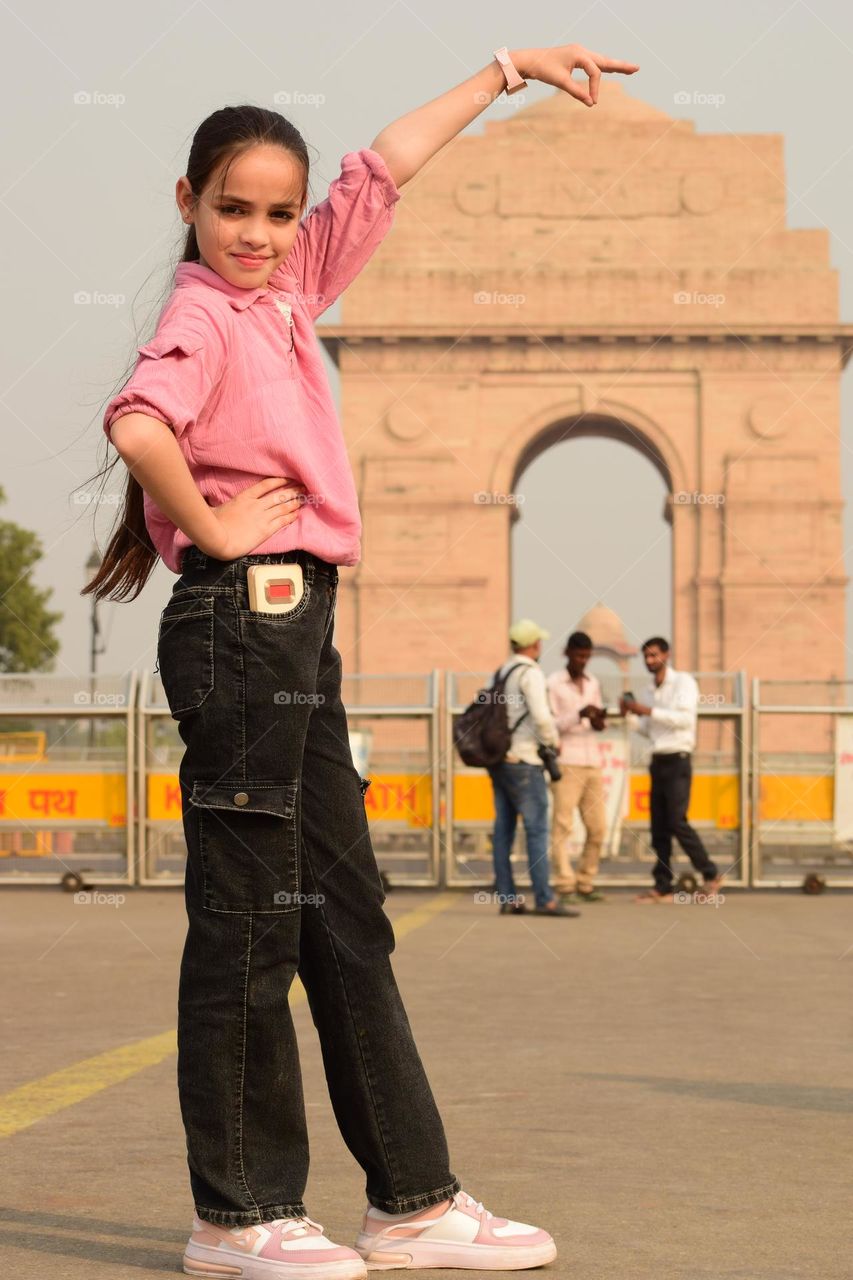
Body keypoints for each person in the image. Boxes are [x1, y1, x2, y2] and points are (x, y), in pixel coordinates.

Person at [84, 38, 638, 1278]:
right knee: (248, 921)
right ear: (188, 205)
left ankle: (410, 1196)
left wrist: (505, 71)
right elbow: (135, 419)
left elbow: (383, 165)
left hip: (294, 627)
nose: (264, 231)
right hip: (241, 617)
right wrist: (218, 524)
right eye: (234, 208)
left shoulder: (285, 293)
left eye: (280, 213)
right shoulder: (203, 312)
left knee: (343, 911)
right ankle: (238, 1212)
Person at [484, 620, 579, 919]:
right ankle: (545, 898)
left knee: (503, 832)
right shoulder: (531, 673)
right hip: (525, 760)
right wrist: (553, 742)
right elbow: (541, 716)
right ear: (534, 644)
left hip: (501, 760)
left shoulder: (502, 671)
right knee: (537, 831)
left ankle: (509, 898)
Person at [620, 637, 722, 904]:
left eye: (654, 655)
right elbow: (646, 728)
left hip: (678, 759)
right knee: (658, 827)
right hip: (658, 760)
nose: (650, 660)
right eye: (646, 656)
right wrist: (631, 714)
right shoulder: (647, 691)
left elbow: (684, 719)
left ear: (667, 654)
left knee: (677, 821)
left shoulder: (684, 683)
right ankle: (662, 885)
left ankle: (710, 874)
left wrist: (648, 710)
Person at [546, 631, 608, 903]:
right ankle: (564, 884)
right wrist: (578, 714)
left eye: (587, 656)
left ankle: (586, 881)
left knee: (598, 827)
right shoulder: (553, 683)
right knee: (562, 826)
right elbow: (549, 725)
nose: (583, 661)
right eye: (579, 655)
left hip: (592, 760)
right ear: (567, 653)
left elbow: (598, 721)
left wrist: (596, 719)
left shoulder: (593, 682)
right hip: (566, 761)